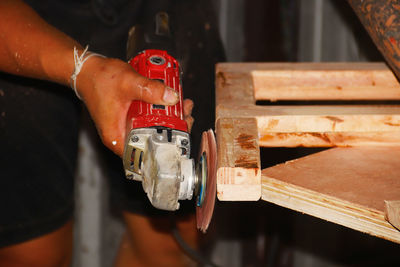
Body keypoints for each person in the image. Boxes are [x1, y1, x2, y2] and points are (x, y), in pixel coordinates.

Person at [0, 0, 224, 266]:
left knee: (169, 246)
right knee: (32, 253)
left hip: (156, 7)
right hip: (21, 14)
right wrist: (83, 71)